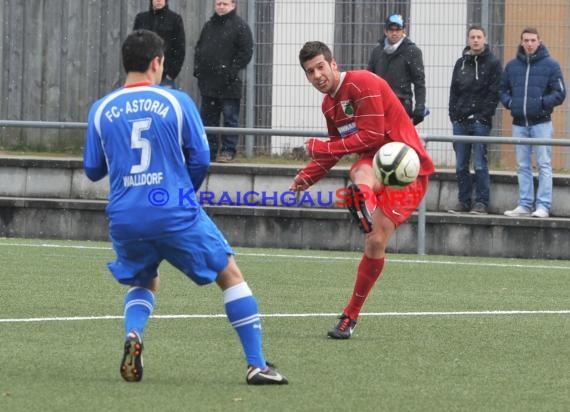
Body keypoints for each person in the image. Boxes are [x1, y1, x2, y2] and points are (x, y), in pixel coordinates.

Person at [83, 29, 287, 385]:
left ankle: (135, 335)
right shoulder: (176, 102)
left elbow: (93, 169)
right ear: (156, 63)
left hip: (126, 217)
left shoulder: (101, 109)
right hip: (174, 210)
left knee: (144, 280)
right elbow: (202, 157)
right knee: (231, 276)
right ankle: (256, 365)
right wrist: (181, 193)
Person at [290, 41, 434, 339]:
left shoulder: (362, 82)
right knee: (372, 229)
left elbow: (371, 134)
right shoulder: (329, 105)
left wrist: (324, 146)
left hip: (407, 165)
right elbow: (334, 153)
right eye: (309, 71)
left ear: (334, 65)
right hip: (374, 164)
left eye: (320, 67)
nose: (316, 75)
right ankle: (349, 317)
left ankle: (361, 202)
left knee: (364, 189)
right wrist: (307, 177)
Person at [499, 27, 566, 218]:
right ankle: (525, 204)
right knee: (522, 165)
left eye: (532, 40)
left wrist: (542, 104)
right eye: (526, 40)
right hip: (519, 124)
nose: (529, 44)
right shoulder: (512, 66)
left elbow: (560, 93)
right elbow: (502, 90)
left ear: (539, 41)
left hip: (541, 123)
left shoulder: (551, 65)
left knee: (544, 164)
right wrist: (511, 103)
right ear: (521, 42)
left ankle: (543, 206)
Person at [448, 25, 502, 215]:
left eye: (479, 37)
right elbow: (454, 92)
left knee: (480, 163)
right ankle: (463, 201)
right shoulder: (460, 63)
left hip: (480, 122)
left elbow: (494, 93)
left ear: (485, 39)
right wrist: (453, 116)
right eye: (472, 37)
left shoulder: (493, 63)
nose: (476, 40)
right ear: (468, 40)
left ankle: (481, 203)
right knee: (461, 164)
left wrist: (482, 116)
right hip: (460, 122)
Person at [194, 0, 253, 163]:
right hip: (208, 84)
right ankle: (210, 152)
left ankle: (228, 151)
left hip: (229, 85)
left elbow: (246, 52)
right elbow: (199, 49)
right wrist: (198, 71)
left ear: (233, 5)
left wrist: (230, 71)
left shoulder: (241, 27)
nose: (221, 6)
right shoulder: (208, 26)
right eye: (218, 3)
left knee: (230, 119)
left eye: (225, 4)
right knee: (208, 120)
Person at [367, 14, 427, 126]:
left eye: (398, 29)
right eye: (391, 29)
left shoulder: (412, 51)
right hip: (379, 105)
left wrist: (420, 106)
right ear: (386, 31)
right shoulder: (377, 51)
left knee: (398, 141)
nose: (394, 33)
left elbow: (419, 82)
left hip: (402, 104)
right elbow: (369, 79)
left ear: (404, 30)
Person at [133, 0, 185, 89]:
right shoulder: (141, 19)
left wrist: (171, 74)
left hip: (165, 78)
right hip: (143, 75)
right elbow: (134, 46)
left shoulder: (175, 19)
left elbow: (179, 49)